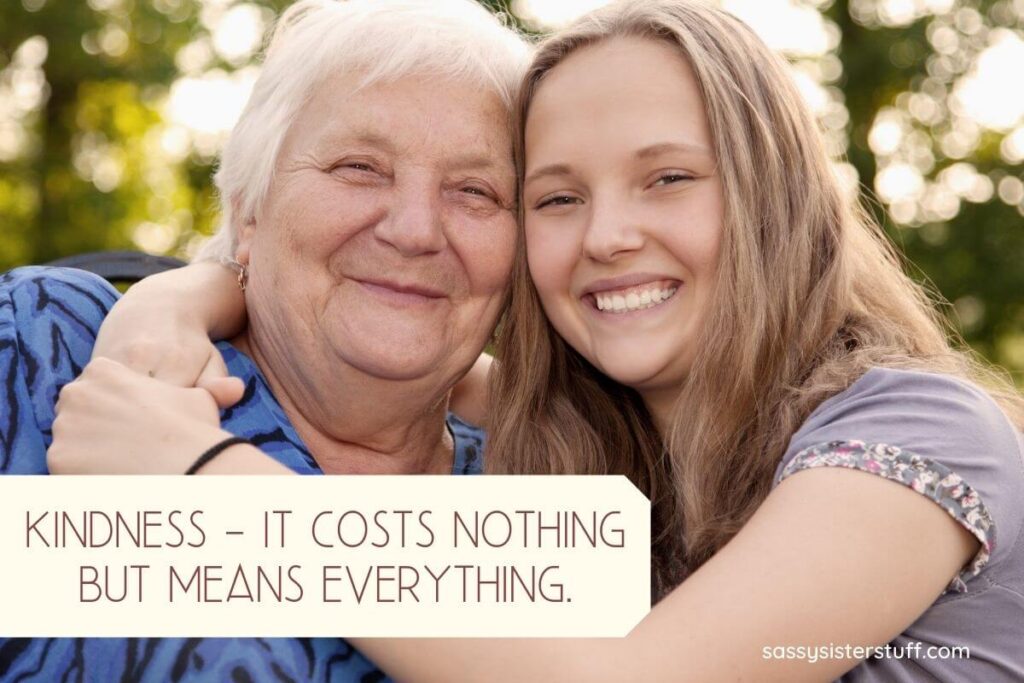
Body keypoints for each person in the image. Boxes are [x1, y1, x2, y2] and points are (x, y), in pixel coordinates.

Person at [48, 0, 1024, 681]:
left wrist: (201, 473)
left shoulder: (919, 428)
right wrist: (172, 303)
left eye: (668, 178)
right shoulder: (593, 431)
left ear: (775, 194)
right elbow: (384, 320)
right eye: (556, 196)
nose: (605, 236)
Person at [0, 0, 530, 680]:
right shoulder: (54, 346)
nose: (416, 229)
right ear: (248, 210)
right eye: (359, 167)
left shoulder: (556, 476)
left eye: (476, 190)